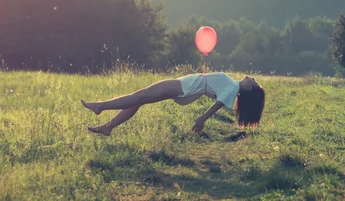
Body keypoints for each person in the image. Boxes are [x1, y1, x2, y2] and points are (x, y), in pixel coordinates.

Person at [81, 72, 265, 136]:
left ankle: (100, 106)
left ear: (248, 90)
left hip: (183, 87)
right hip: (185, 86)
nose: (253, 78)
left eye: (254, 83)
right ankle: (108, 126)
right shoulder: (232, 85)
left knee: (139, 96)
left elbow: (218, 103)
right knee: (139, 100)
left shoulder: (233, 88)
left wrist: (202, 119)